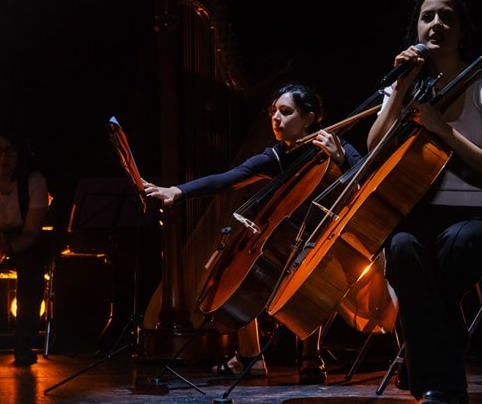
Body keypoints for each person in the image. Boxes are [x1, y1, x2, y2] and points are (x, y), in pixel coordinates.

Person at [143, 84, 362, 384]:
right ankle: (250, 355)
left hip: (321, 238)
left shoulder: (337, 147)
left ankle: (311, 353)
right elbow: (227, 179)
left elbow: (365, 179)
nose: (276, 118)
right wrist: (178, 191)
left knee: (320, 273)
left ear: (309, 119)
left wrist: (340, 160)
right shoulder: (275, 156)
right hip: (283, 237)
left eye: (285, 112)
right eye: (273, 112)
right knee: (240, 268)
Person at [367, 0, 482, 404]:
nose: (437, 24)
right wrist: (399, 91)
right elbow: (375, 151)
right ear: (416, 28)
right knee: (401, 247)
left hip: (481, 216)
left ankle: (437, 382)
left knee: (458, 248)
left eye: (447, 16)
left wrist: (439, 127)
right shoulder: (408, 86)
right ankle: (445, 374)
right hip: (418, 212)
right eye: (427, 16)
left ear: (461, 28)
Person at [0, 126, 50, 366]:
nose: (3, 158)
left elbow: (32, 232)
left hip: (23, 236)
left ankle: (23, 344)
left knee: (32, 273)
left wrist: (7, 248)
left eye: (9, 151)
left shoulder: (33, 181)